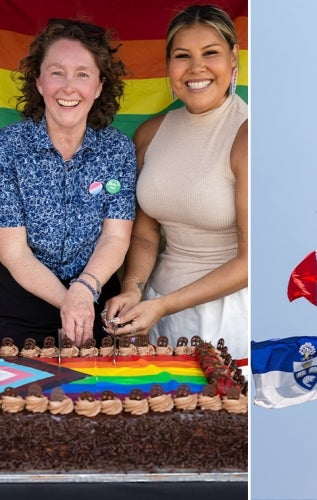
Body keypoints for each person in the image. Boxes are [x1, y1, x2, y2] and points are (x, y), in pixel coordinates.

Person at [103, 5, 248, 370]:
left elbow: (251, 262)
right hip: (153, 312)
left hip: (225, 320)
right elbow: (147, 233)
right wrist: (134, 289)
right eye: (182, 56)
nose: (196, 68)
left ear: (233, 60)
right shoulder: (150, 134)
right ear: (169, 68)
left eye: (210, 53)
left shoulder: (249, 136)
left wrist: (164, 306)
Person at [0, 18, 135, 347]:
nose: (68, 87)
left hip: (97, 300)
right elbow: (13, 252)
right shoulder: (8, 147)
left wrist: (85, 290)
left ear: (99, 86)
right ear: (39, 82)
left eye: (82, 74)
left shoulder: (118, 150)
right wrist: (71, 303)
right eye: (56, 72)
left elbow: (115, 238)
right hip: (19, 305)